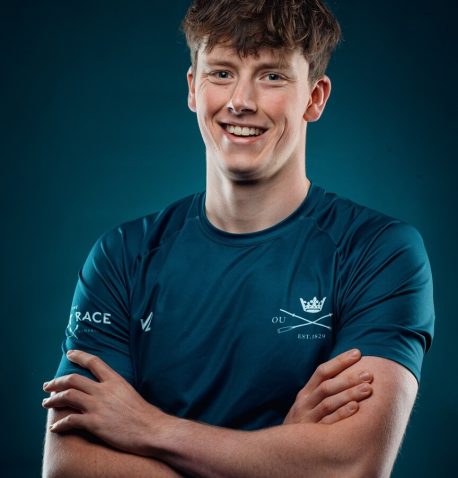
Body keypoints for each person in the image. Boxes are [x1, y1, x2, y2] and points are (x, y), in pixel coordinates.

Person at [42, 1, 434, 476]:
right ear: (193, 87)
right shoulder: (121, 256)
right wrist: (284, 458)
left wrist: (148, 428)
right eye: (222, 73)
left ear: (315, 97)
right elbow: (69, 465)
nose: (241, 101)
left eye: (272, 76)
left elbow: (351, 465)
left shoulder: (379, 252)